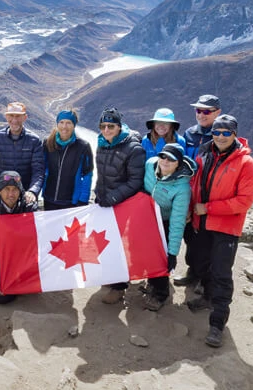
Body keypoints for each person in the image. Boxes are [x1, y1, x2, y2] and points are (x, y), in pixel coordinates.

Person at [187, 114, 253, 348]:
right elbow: (195, 185)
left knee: (221, 272)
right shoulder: (204, 154)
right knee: (203, 263)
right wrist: (192, 209)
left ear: (234, 135)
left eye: (226, 133)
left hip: (226, 227)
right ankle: (207, 297)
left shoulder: (247, 165)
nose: (220, 136)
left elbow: (243, 202)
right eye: (216, 132)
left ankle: (217, 323)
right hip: (202, 223)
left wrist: (206, 208)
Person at [92, 107, 146, 304]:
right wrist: (98, 192)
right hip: (105, 202)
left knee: (119, 245)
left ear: (119, 126)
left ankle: (120, 287)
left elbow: (135, 181)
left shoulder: (133, 148)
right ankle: (111, 277)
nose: (106, 130)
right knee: (106, 241)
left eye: (111, 126)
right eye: (103, 126)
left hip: (123, 204)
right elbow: (103, 174)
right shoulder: (102, 143)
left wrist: (113, 197)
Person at [141, 142, 195, 311]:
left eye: (171, 159)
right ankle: (151, 282)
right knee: (146, 252)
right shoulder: (150, 165)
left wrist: (172, 253)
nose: (165, 161)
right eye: (163, 156)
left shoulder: (182, 188)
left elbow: (178, 221)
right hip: (148, 217)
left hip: (165, 220)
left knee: (161, 257)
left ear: (178, 163)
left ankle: (161, 293)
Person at [176, 94, 222, 288]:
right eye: (198, 110)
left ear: (217, 113)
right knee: (190, 236)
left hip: (208, 197)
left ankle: (206, 281)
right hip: (189, 193)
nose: (201, 115)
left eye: (206, 111)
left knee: (207, 241)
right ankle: (192, 272)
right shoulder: (189, 134)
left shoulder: (221, 135)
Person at [0, 170, 37, 305]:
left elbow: (38, 237)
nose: (11, 194)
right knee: (1, 296)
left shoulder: (28, 208)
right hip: (5, 260)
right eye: (6, 189)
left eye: (15, 189)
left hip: (24, 258)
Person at [0, 102, 44, 207]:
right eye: (11, 116)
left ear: (25, 117)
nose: (14, 120)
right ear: (6, 116)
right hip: (1, 194)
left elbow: (38, 171)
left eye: (18, 116)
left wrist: (32, 191)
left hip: (25, 196)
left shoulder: (34, 140)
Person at [41, 109, 93, 212]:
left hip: (71, 202)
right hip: (49, 198)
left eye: (69, 123)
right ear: (57, 124)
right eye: (61, 122)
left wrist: (83, 199)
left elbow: (87, 174)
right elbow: (42, 168)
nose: (64, 127)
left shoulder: (83, 147)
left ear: (74, 125)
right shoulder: (48, 143)